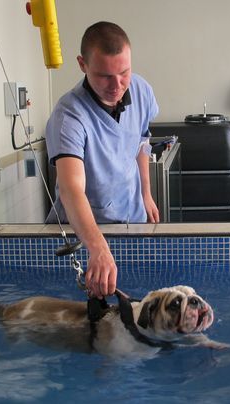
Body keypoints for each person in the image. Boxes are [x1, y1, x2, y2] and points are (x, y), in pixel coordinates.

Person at [45, 21, 160, 299]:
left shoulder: (141, 91)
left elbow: (140, 143)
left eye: (124, 72)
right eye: (104, 76)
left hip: (130, 219)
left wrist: (146, 195)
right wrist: (97, 247)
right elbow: (72, 189)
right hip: (84, 233)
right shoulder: (70, 115)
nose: (117, 85)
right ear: (82, 64)